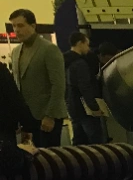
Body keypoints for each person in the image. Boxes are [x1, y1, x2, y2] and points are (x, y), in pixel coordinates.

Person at [8, 8, 68, 147]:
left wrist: (50, 116)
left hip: (47, 116)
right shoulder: (16, 52)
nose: (16, 30)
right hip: (27, 119)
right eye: (14, 26)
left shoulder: (49, 49)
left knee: (49, 157)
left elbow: (58, 85)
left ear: (33, 26)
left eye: (20, 25)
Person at [64, 32, 106, 145]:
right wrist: (94, 107)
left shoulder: (64, 62)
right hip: (85, 109)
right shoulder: (80, 64)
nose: (88, 48)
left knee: (79, 140)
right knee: (96, 140)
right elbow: (85, 87)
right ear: (80, 43)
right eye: (87, 45)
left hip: (72, 106)